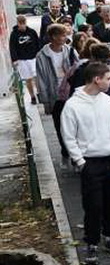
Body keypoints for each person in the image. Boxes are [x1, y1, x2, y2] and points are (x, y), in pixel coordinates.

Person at [61, 61, 110, 265]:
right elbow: (69, 136)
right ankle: (91, 243)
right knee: (93, 205)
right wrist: (81, 162)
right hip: (90, 163)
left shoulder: (108, 101)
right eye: (108, 78)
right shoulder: (73, 106)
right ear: (97, 79)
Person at [35, 23, 78, 163]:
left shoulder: (70, 51)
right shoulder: (42, 55)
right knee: (59, 126)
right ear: (54, 36)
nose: (65, 37)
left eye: (66, 34)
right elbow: (41, 78)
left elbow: (78, 70)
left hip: (71, 94)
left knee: (75, 127)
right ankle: (65, 151)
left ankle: (75, 156)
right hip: (55, 95)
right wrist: (45, 101)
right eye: (63, 35)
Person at [9, 15, 41, 103]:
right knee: (28, 79)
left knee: (36, 77)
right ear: (18, 24)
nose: (22, 26)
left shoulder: (31, 32)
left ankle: (40, 93)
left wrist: (39, 54)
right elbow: (12, 47)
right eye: (21, 24)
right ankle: (32, 96)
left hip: (33, 57)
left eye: (24, 23)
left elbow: (38, 43)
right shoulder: (14, 34)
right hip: (22, 59)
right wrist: (14, 59)